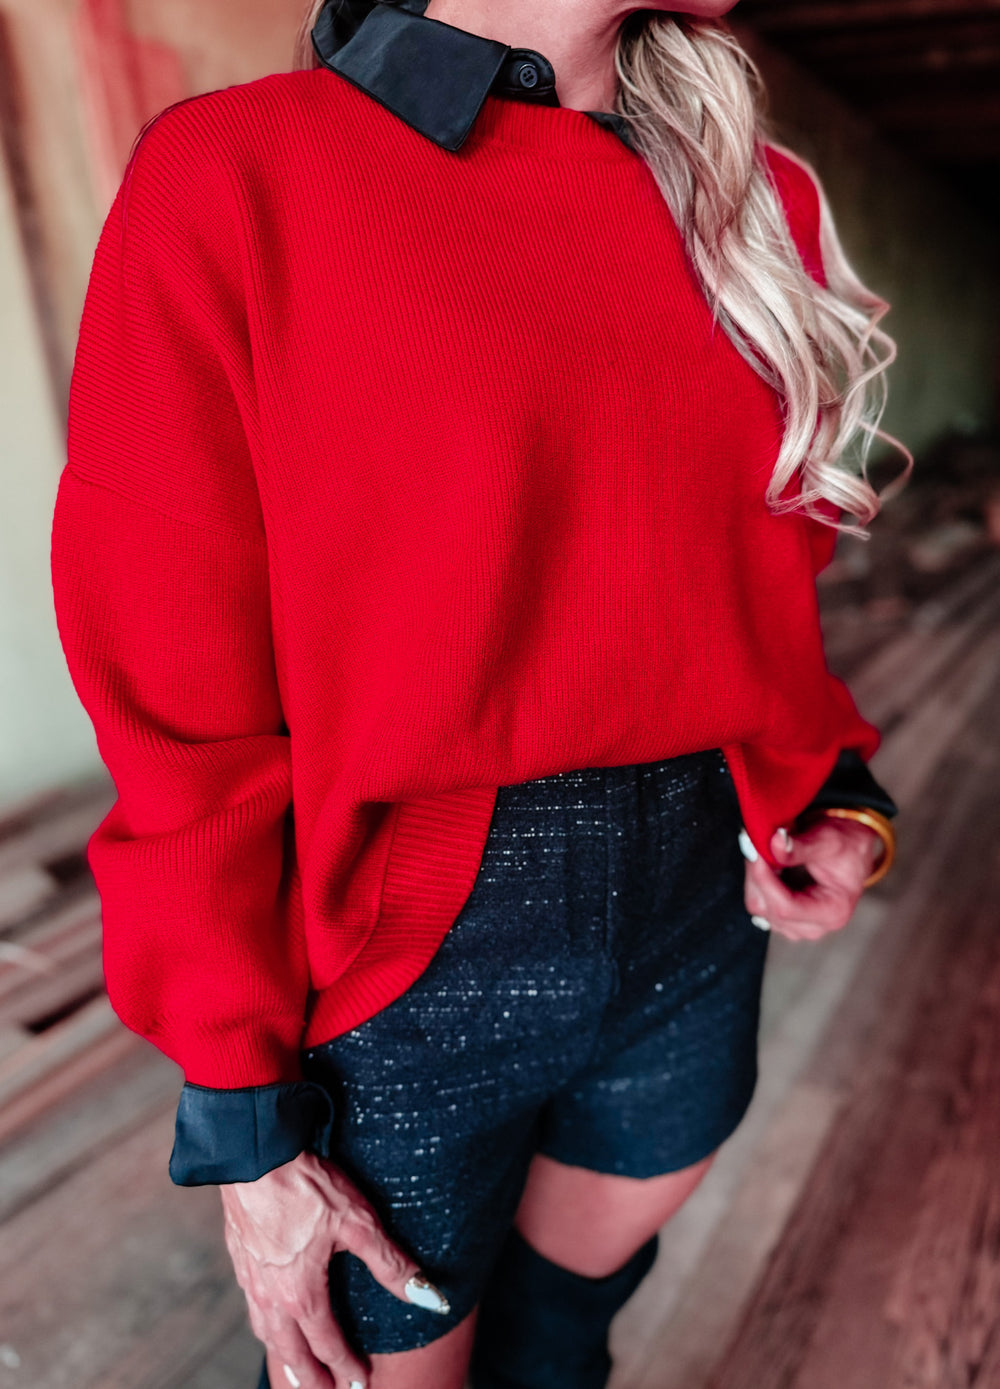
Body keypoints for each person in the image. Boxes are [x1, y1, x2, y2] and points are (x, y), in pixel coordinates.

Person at [49, 0, 909, 1385]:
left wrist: (832, 789)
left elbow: (764, 567)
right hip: (411, 944)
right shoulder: (237, 174)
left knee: (560, 1341)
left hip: (698, 903)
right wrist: (242, 1105)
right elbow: (172, 681)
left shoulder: (756, 193)